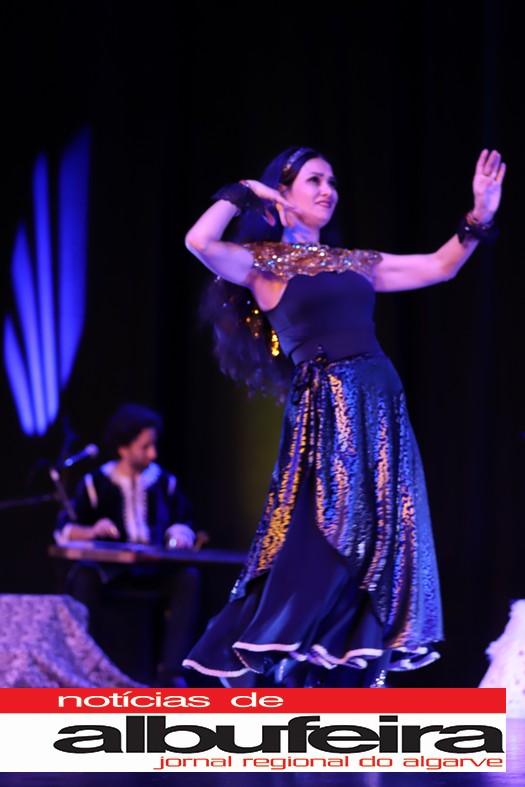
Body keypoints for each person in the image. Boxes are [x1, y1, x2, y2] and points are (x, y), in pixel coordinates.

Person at [181, 145, 505, 689]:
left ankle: (343, 671)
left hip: (382, 407)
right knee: (322, 532)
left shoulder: (355, 261)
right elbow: (199, 242)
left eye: (332, 181)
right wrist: (245, 192)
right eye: (314, 180)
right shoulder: (264, 264)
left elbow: (439, 266)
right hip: (329, 408)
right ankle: (269, 651)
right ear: (283, 191)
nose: (328, 190)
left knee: (380, 536)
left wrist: (479, 216)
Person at [54, 402, 201, 687]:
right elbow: (65, 529)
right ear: (123, 448)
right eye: (145, 447)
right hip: (111, 571)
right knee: (84, 576)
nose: (153, 453)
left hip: (153, 569)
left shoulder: (164, 482)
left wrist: (178, 534)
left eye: (153, 446)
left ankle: (172, 672)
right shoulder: (96, 483)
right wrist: (91, 530)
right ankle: (86, 669)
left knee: (188, 578)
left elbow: (183, 520)